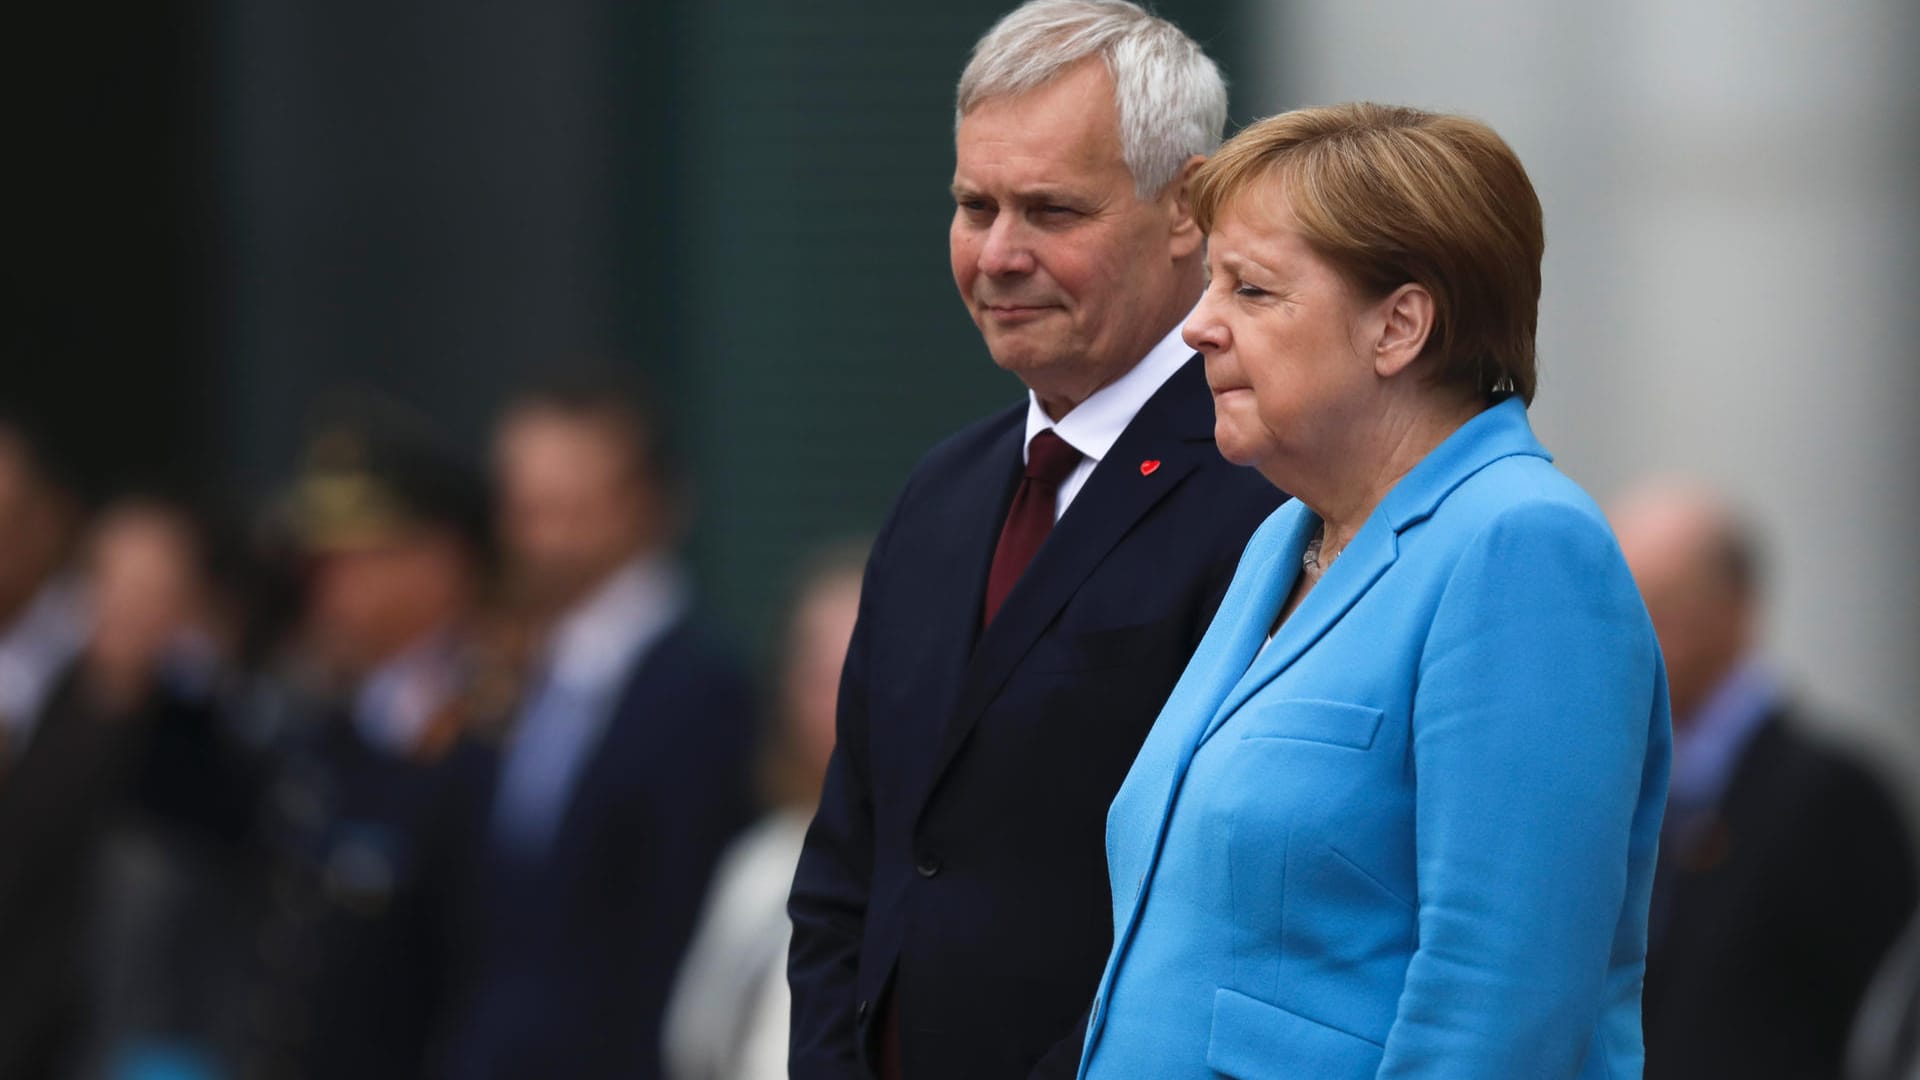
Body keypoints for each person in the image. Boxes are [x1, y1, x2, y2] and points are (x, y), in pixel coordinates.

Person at [1076, 104, 1671, 1079]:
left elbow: (1502, 1007)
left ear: (1398, 324)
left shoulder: (1523, 546)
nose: (1197, 326)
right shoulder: (1285, 538)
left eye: (1253, 289)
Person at [786, 3, 1283, 1077]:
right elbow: (850, 872)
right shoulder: (944, 494)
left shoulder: (1267, 490)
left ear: (1187, 208)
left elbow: (1227, 908)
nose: (1000, 255)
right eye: (975, 206)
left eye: (1052, 211)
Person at [441, 375, 757, 1080]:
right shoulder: (498, 672)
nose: (540, 534)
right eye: (523, 505)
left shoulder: (700, 692)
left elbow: (675, 932)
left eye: (570, 505)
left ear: (647, 506)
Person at [1610, 480, 1918, 1080]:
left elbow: (1885, 1019)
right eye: (1619, 609)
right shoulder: (1615, 788)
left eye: (1664, 608)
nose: (1635, 637)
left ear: (1736, 609)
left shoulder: (1833, 798)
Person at [241, 410, 502, 1080]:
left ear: (440, 562)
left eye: (351, 562)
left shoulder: (491, 732)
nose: (324, 591)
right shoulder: (327, 728)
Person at [664, 541, 866, 1080]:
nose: (844, 702)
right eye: (821, 678)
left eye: (865, 669)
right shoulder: (757, 859)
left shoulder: (933, 878)